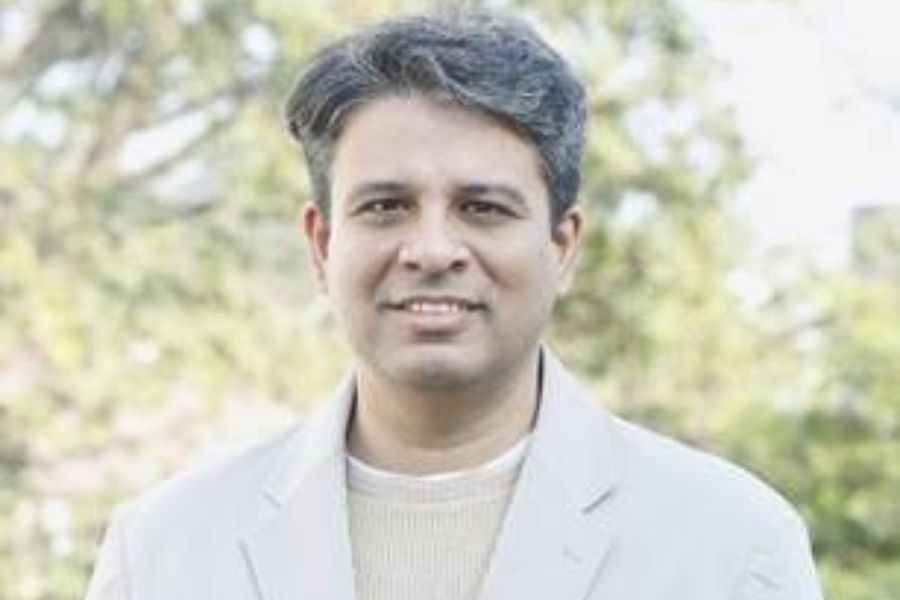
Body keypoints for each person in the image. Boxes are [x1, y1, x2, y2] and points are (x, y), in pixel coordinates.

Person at [84, 9, 824, 600]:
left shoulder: (731, 546)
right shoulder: (163, 553)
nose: (432, 250)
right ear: (321, 244)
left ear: (562, 245)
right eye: (385, 205)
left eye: (483, 208)